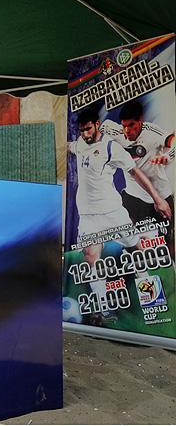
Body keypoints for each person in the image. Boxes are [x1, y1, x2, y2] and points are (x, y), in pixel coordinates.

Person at [69, 107, 171, 321]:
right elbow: (71, 147)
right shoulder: (79, 142)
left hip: (113, 212)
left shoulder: (111, 147)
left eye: (88, 129)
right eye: (82, 130)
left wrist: (158, 199)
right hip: (88, 216)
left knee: (136, 251)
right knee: (91, 257)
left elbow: (135, 172)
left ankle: (152, 299)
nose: (85, 134)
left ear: (97, 124)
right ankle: (105, 309)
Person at [100, 100, 174, 254]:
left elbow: (173, 141)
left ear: (140, 120)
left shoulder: (152, 132)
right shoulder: (113, 130)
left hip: (160, 196)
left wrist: (168, 156)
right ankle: (134, 263)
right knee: (127, 238)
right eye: (124, 126)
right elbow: (97, 132)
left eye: (131, 125)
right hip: (133, 195)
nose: (127, 130)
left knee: (168, 243)